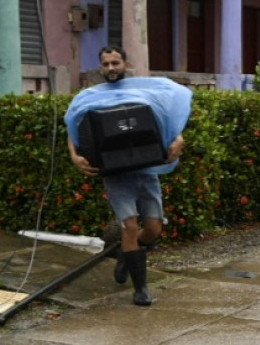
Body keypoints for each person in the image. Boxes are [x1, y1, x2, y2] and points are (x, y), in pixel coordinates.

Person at [65, 45, 191, 306]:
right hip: (115, 172)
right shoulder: (89, 96)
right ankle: (141, 289)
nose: (111, 69)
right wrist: (74, 156)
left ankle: (126, 253)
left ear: (125, 63)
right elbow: (73, 124)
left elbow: (167, 118)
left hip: (146, 169)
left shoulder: (144, 90)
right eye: (106, 64)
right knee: (129, 225)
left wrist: (178, 138)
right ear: (100, 67)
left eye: (115, 63)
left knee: (153, 229)